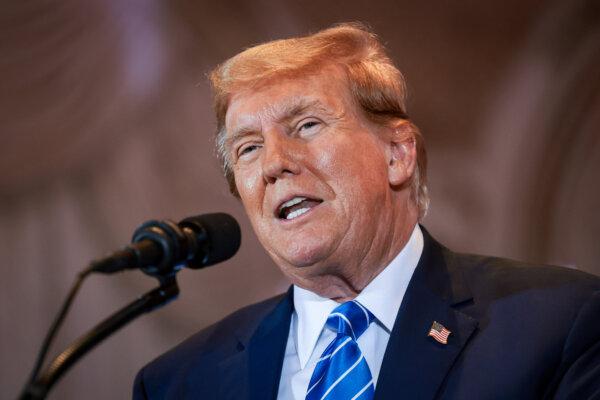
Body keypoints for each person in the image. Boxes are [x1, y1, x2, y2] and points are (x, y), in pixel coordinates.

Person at [132, 23, 600, 399]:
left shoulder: (558, 326)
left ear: (397, 153)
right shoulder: (180, 383)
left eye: (307, 124)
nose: (274, 163)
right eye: (248, 148)